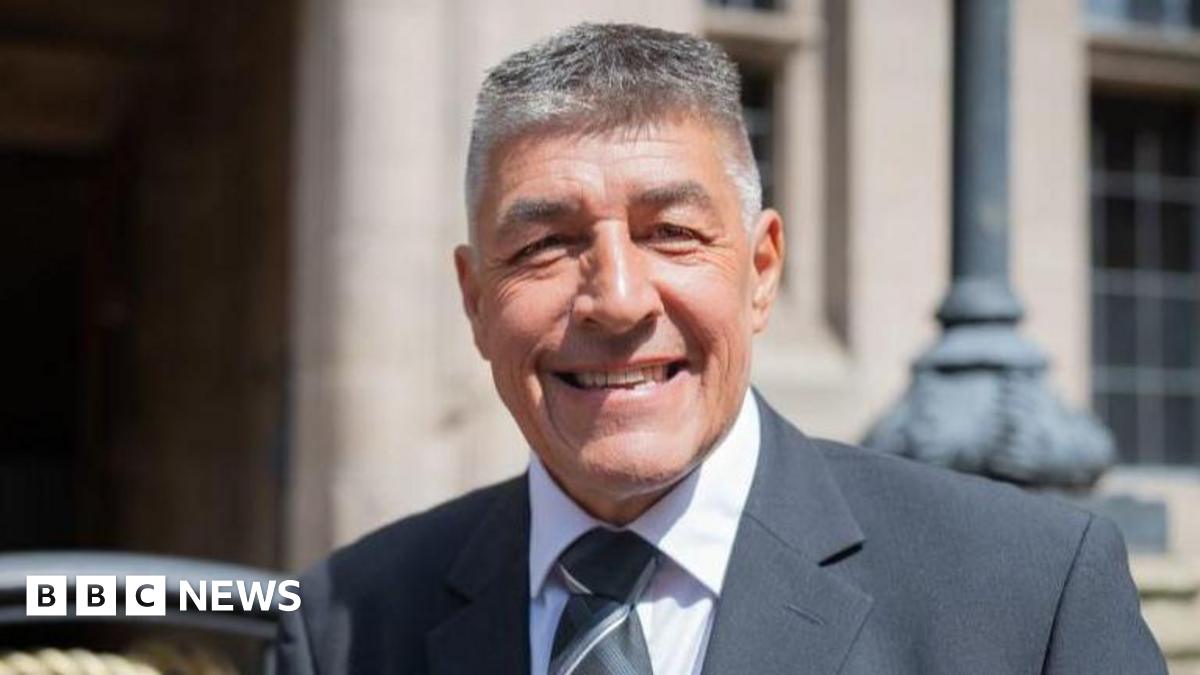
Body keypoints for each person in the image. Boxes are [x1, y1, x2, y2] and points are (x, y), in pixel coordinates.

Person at [274, 22, 1166, 674]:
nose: (617, 300)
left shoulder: (1027, 599)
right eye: (545, 244)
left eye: (669, 232)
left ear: (762, 270)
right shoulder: (345, 626)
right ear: (475, 299)